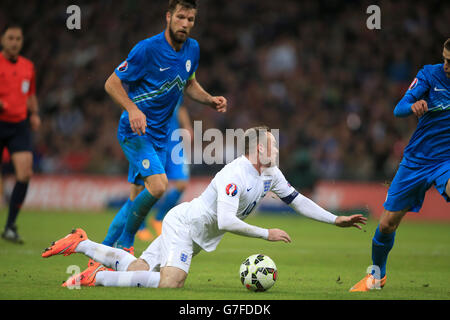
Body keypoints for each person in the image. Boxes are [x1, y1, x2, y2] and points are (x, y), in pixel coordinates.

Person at [42, 126, 367, 289]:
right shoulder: (234, 175)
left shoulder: (271, 174)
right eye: (272, 143)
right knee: (172, 283)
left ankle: (80, 243)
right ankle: (94, 279)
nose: (277, 148)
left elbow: (298, 201)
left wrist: (335, 218)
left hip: (196, 233)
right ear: (257, 148)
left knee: (139, 270)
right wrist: (266, 233)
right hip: (184, 226)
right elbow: (226, 221)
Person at [101, 0, 227, 253]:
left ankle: (103, 250)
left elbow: (189, 84)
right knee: (159, 186)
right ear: (168, 17)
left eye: (190, 20)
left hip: (160, 136)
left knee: (136, 198)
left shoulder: (193, 49)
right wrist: (133, 109)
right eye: (180, 17)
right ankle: (125, 245)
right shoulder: (146, 49)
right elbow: (111, 83)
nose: (185, 24)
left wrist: (210, 100)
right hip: (135, 132)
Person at [350, 38, 450, 292]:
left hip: (446, 161)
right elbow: (399, 108)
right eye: (445, 59)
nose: (446, 65)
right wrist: (413, 106)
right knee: (386, 225)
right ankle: (377, 277)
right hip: (416, 161)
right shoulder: (430, 74)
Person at [0, 24, 41, 243]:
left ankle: (10, 226)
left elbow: (30, 94)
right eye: (10, 38)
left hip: (18, 125)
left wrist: (34, 114)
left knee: (25, 174)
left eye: (18, 38)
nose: (14, 42)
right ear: (3, 40)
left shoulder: (28, 67)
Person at [136, 104, 193, 241]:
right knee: (145, 185)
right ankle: (140, 225)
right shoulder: (148, 87)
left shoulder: (176, 84)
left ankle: (158, 218)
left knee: (182, 184)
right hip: (151, 142)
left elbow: (180, 106)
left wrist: (187, 126)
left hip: (174, 144)